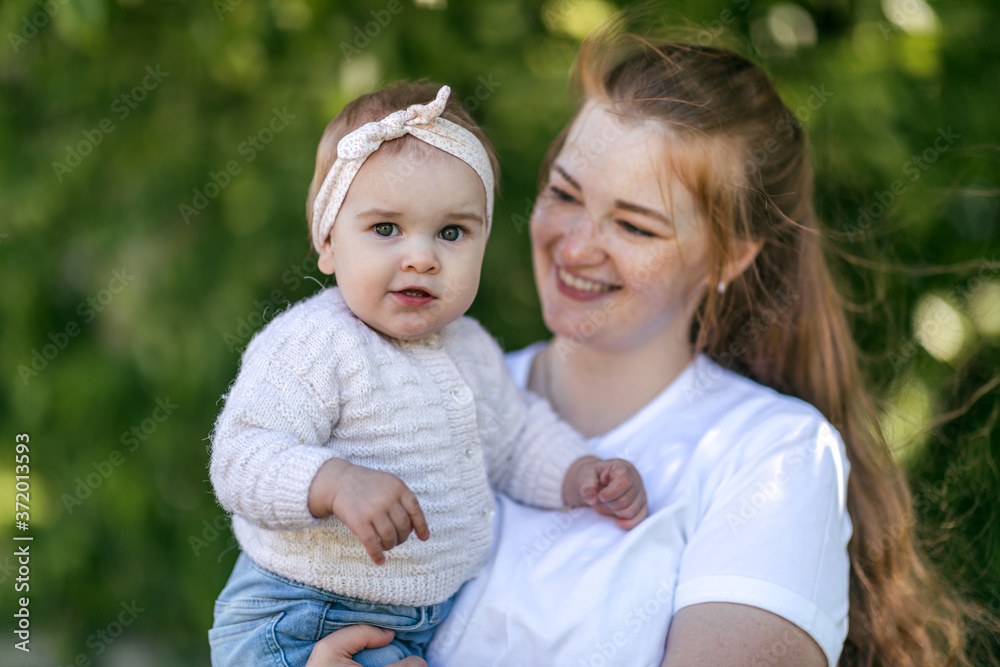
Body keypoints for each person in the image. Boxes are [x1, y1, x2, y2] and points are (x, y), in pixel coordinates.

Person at [308, 23, 990, 667]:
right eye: (565, 194)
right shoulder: (420, 395)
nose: (576, 246)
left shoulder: (771, 458)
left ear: (730, 257)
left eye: (635, 227)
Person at [207, 82, 648, 667]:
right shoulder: (316, 343)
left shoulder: (472, 349)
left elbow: (515, 440)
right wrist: (335, 482)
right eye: (386, 229)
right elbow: (241, 456)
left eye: (451, 232)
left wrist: (579, 472)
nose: (422, 257)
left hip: (410, 627)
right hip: (300, 615)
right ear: (328, 241)